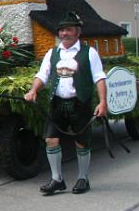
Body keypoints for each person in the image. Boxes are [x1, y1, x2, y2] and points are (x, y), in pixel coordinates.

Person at [24, 11, 107, 195]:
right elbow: (42, 75)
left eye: (68, 30)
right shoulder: (52, 53)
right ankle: (57, 179)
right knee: (51, 140)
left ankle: (83, 178)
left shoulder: (89, 53)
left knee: (81, 142)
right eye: (61, 30)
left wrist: (102, 102)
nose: (64, 33)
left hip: (80, 103)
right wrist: (33, 90)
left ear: (77, 32)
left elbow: (99, 78)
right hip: (57, 103)